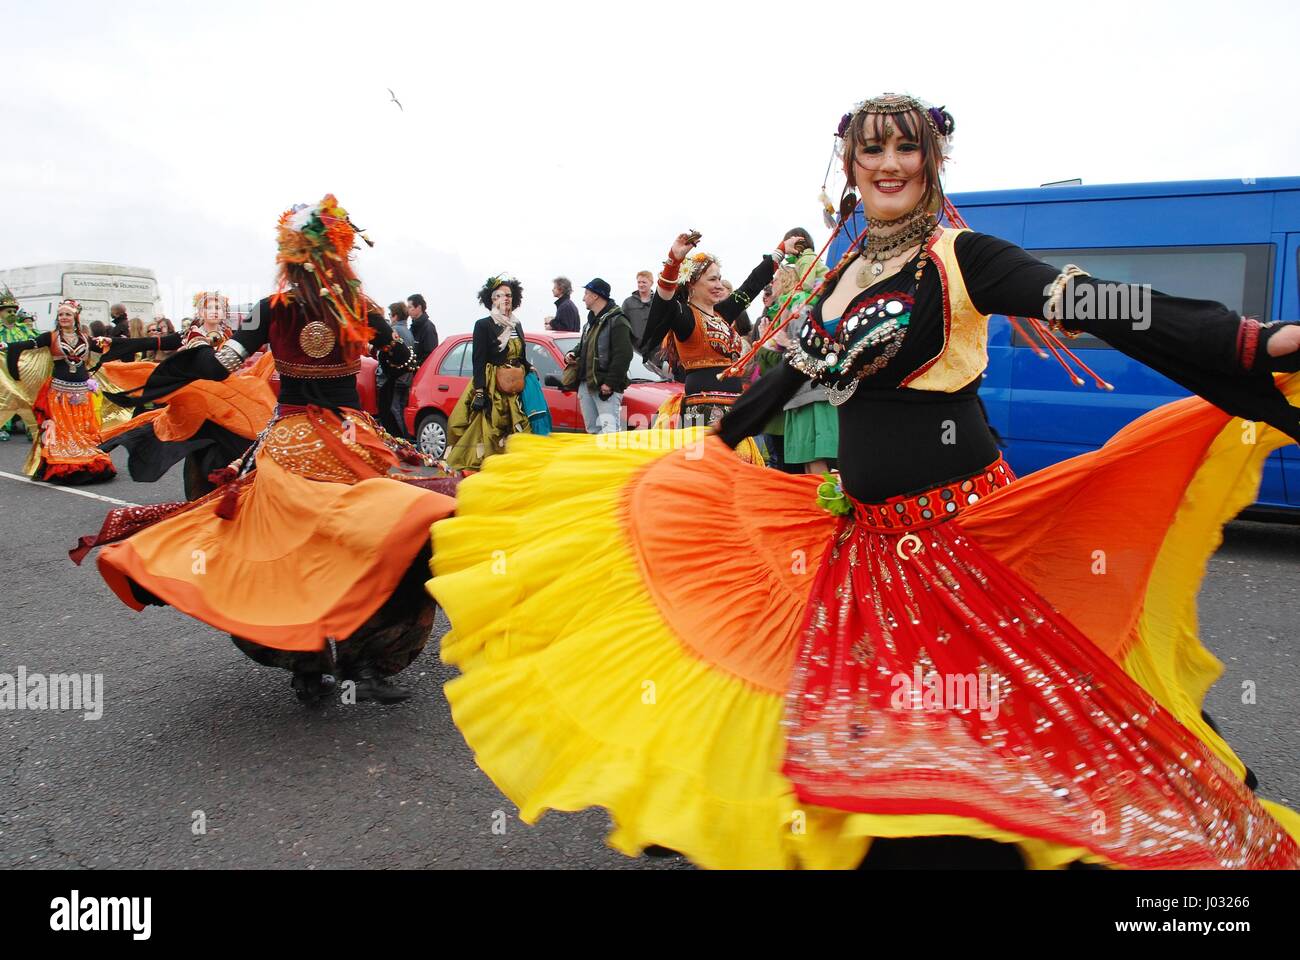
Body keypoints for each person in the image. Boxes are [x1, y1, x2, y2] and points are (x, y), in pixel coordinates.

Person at [426, 94, 1300, 870]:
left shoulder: (967, 258)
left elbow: (1091, 299)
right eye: (871, 151)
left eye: (905, 149)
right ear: (851, 165)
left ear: (932, 161)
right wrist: (706, 449)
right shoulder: (845, 273)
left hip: (970, 538)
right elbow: (786, 376)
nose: (888, 165)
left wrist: (1245, 345)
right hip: (869, 541)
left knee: (1046, 708)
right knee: (878, 732)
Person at [72, 196, 456, 704]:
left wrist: (161, 368)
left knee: (289, 552)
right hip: (350, 440)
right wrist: (383, 345)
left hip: (290, 442)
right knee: (386, 531)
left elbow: (225, 362)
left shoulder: (271, 311)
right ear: (340, 254)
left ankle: (308, 667)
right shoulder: (359, 309)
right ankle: (368, 662)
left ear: (291, 258)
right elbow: (403, 358)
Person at [95, 291, 276, 499]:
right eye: (210, 307)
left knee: (234, 450)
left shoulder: (230, 334)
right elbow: (152, 344)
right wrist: (114, 343)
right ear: (200, 311)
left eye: (219, 308)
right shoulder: (190, 334)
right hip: (200, 407)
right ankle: (201, 498)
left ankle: (233, 496)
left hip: (228, 406)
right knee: (203, 456)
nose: (215, 311)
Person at [639, 231, 808, 428]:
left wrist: (780, 250)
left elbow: (751, 285)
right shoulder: (684, 316)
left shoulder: (721, 314)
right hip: (703, 412)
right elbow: (664, 299)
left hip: (733, 410)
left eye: (720, 279)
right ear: (692, 283)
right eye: (712, 280)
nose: (719, 285)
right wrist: (673, 261)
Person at [0, 299, 135, 482]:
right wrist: (7, 347)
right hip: (58, 394)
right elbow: (28, 344)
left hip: (82, 394)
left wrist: (140, 342)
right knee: (62, 432)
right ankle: (60, 466)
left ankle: (86, 463)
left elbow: (110, 346)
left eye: (67, 314)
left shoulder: (85, 339)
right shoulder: (51, 337)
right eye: (61, 314)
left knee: (82, 431)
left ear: (75, 317)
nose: (64, 317)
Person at [445, 275, 532, 470]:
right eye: (500, 295)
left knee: (520, 428)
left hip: (514, 384)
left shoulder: (517, 324)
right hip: (493, 382)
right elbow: (478, 360)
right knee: (490, 427)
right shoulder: (483, 325)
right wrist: (480, 391)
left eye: (509, 295)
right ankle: (487, 467)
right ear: (492, 300)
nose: (506, 298)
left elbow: (520, 353)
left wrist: (528, 365)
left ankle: (513, 467)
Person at [570, 278, 633, 434]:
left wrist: (610, 383)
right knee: (592, 432)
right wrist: (572, 353)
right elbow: (584, 345)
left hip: (605, 387)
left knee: (609, 433)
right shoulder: (590, 322)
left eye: (586, 293)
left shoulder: (618, 321)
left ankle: (613, 459)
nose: (583, 298)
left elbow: (624, 355)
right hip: (587, 384)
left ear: (596, 296)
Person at [0, 289, 39, 441]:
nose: (12, 313)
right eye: (8, 311)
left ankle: (32, 428)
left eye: (13, 311)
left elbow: (35, 344)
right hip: (3, 374)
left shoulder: (24, 330)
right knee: (4, 399)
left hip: (22, 371)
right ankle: (3, 427)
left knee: (27, 399)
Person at [376, 301, 416, 439]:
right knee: (400, 410)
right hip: (407, 377)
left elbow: (386, 354)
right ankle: (405, 439)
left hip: (395, 377)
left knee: (393, 411)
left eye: (389, 315)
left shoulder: (394, 332)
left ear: (395, 316)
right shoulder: (409, 332)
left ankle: (400, 440)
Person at [621, 271, 655, 357]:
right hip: (635, 351)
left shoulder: (658, 302)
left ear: (651, 283)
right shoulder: (628, 303)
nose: (641, 285)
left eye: (644, 282)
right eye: (639, 282)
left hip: (656, 351)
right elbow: (623, 326)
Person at [406, 293, 439, 367]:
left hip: (420, 373)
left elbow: (430, 355)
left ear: (419, 307)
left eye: (410, 307)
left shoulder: (429, 327)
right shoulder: (412, 327)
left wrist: (415, 367)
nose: (407, 310)